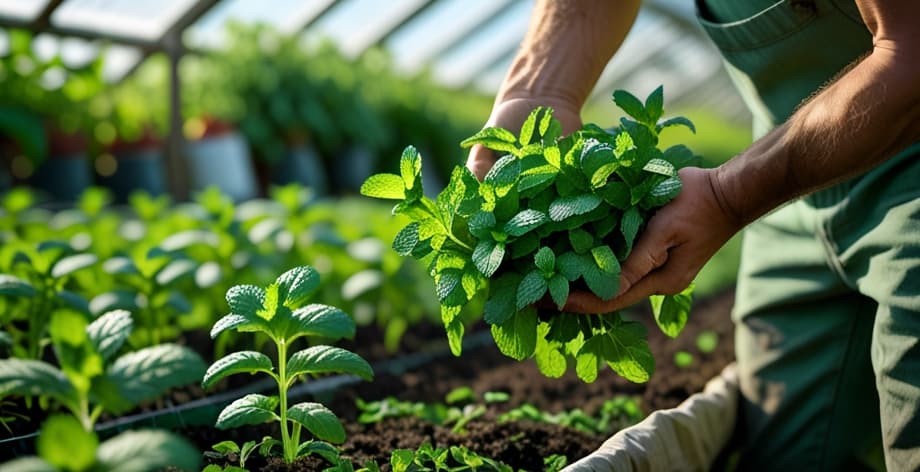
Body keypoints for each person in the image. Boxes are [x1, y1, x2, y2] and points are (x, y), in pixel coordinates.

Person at [465, 0, 920, 470]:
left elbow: (912, 51)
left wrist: (727, 198)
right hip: (794, 160)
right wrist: (539, 91)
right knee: (783, 447)